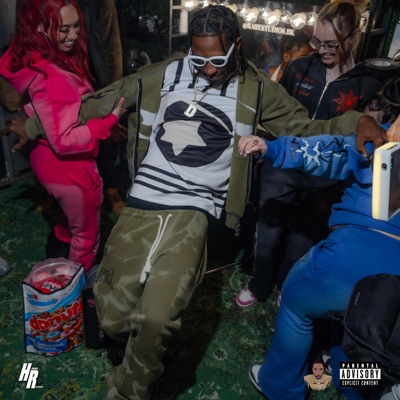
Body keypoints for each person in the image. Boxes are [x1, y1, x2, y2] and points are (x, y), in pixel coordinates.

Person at [0, 5, 387, 399]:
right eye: (198, 59)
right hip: (144, 200)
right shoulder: (168, 72)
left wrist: (353, 121)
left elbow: (303, 126)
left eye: (217, 59)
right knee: (111, 315)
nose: (207, 69)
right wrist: (33, 125)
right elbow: (101, 100)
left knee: (156, 319)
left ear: (237, 46)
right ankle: (148, 345)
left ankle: (129, 386)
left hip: (195, 210)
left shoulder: (256, 88)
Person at [241, 77, 400, 400]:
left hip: (347, 258)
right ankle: (350, 383)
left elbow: (324, 153)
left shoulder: (377, 143)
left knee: (295, 305)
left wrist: (272, 148)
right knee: (370, 328)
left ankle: (281, 386)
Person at [236, 0, 383, 308]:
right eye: (317, 41)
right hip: (282, 169)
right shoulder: (299, 67)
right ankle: (259, 283)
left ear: (355, 37)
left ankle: (287, 288)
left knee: (303, 242)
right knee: (267, 233)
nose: (323, 51)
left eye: (332, 44)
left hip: (325, 180)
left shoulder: (368, 83)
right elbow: (279, 115)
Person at [0, 0, 124, 272]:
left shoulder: (39, 58)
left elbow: (62, 116)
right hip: (69, 169)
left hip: (46, 159)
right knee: (86, 235)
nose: (74, 35)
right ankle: (75, 284)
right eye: (64, 29)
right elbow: (65, 141)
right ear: (40, 27)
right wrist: (108, 121)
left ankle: (56, 250)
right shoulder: (55, 77)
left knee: (71, 220)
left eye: (76, 26)